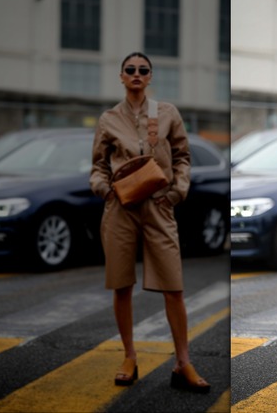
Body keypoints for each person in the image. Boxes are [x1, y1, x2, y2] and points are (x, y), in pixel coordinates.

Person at [90, 52, 210, 393]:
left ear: (150, 76)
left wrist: (176, 193)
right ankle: (129, 356)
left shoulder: (167, 113)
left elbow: (183, 157)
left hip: (159, 205)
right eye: (130, 70)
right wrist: (105, 190)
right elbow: (98, 165)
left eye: (143, 70)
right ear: (121, 76)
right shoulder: (109, 119)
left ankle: (183, 362)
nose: (136, 74)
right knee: (122, 284)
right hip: (120, 208)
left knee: (174, 286)